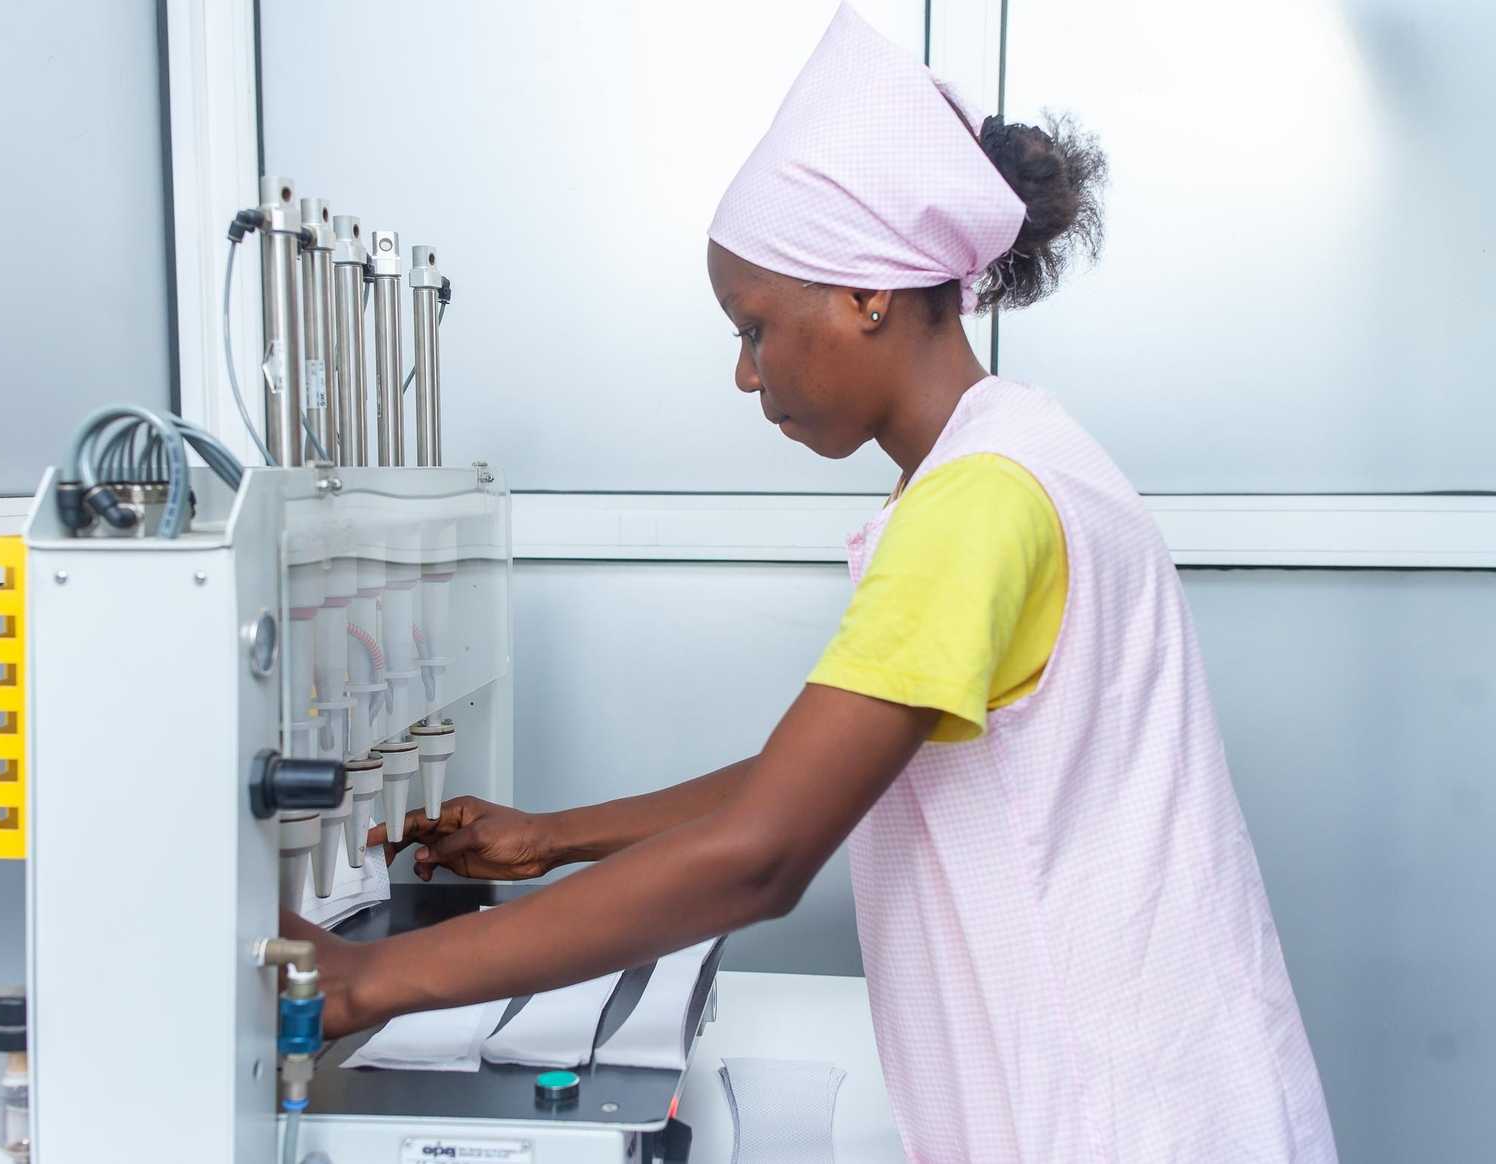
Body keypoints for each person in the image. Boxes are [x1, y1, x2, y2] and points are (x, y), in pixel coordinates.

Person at [284, 6, 1337, 1159]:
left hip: (1117, 1123)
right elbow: (831, 777)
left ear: (866, 293)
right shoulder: (1014, 461)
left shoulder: (978, 505)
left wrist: (365, 983)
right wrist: (552, 838)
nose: (746, 374)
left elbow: (767, 851)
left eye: (755, 327)